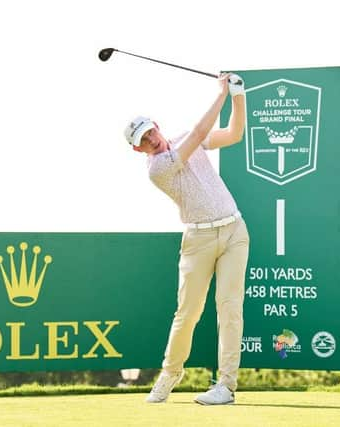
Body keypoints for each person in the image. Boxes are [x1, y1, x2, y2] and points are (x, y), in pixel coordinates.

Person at [124, 73, 249, 405]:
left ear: (157, 126)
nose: (150, 139)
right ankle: (170, 373)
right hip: (199, 239)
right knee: (188, 312)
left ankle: (226, 385)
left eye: (151, 131)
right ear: (138, 149)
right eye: (143, 139)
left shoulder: (180, 139)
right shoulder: (157, 168)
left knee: (229, 308)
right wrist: (221, 92)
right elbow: (199, 133)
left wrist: (239, 95)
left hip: (235, 230)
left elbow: (235, 134)